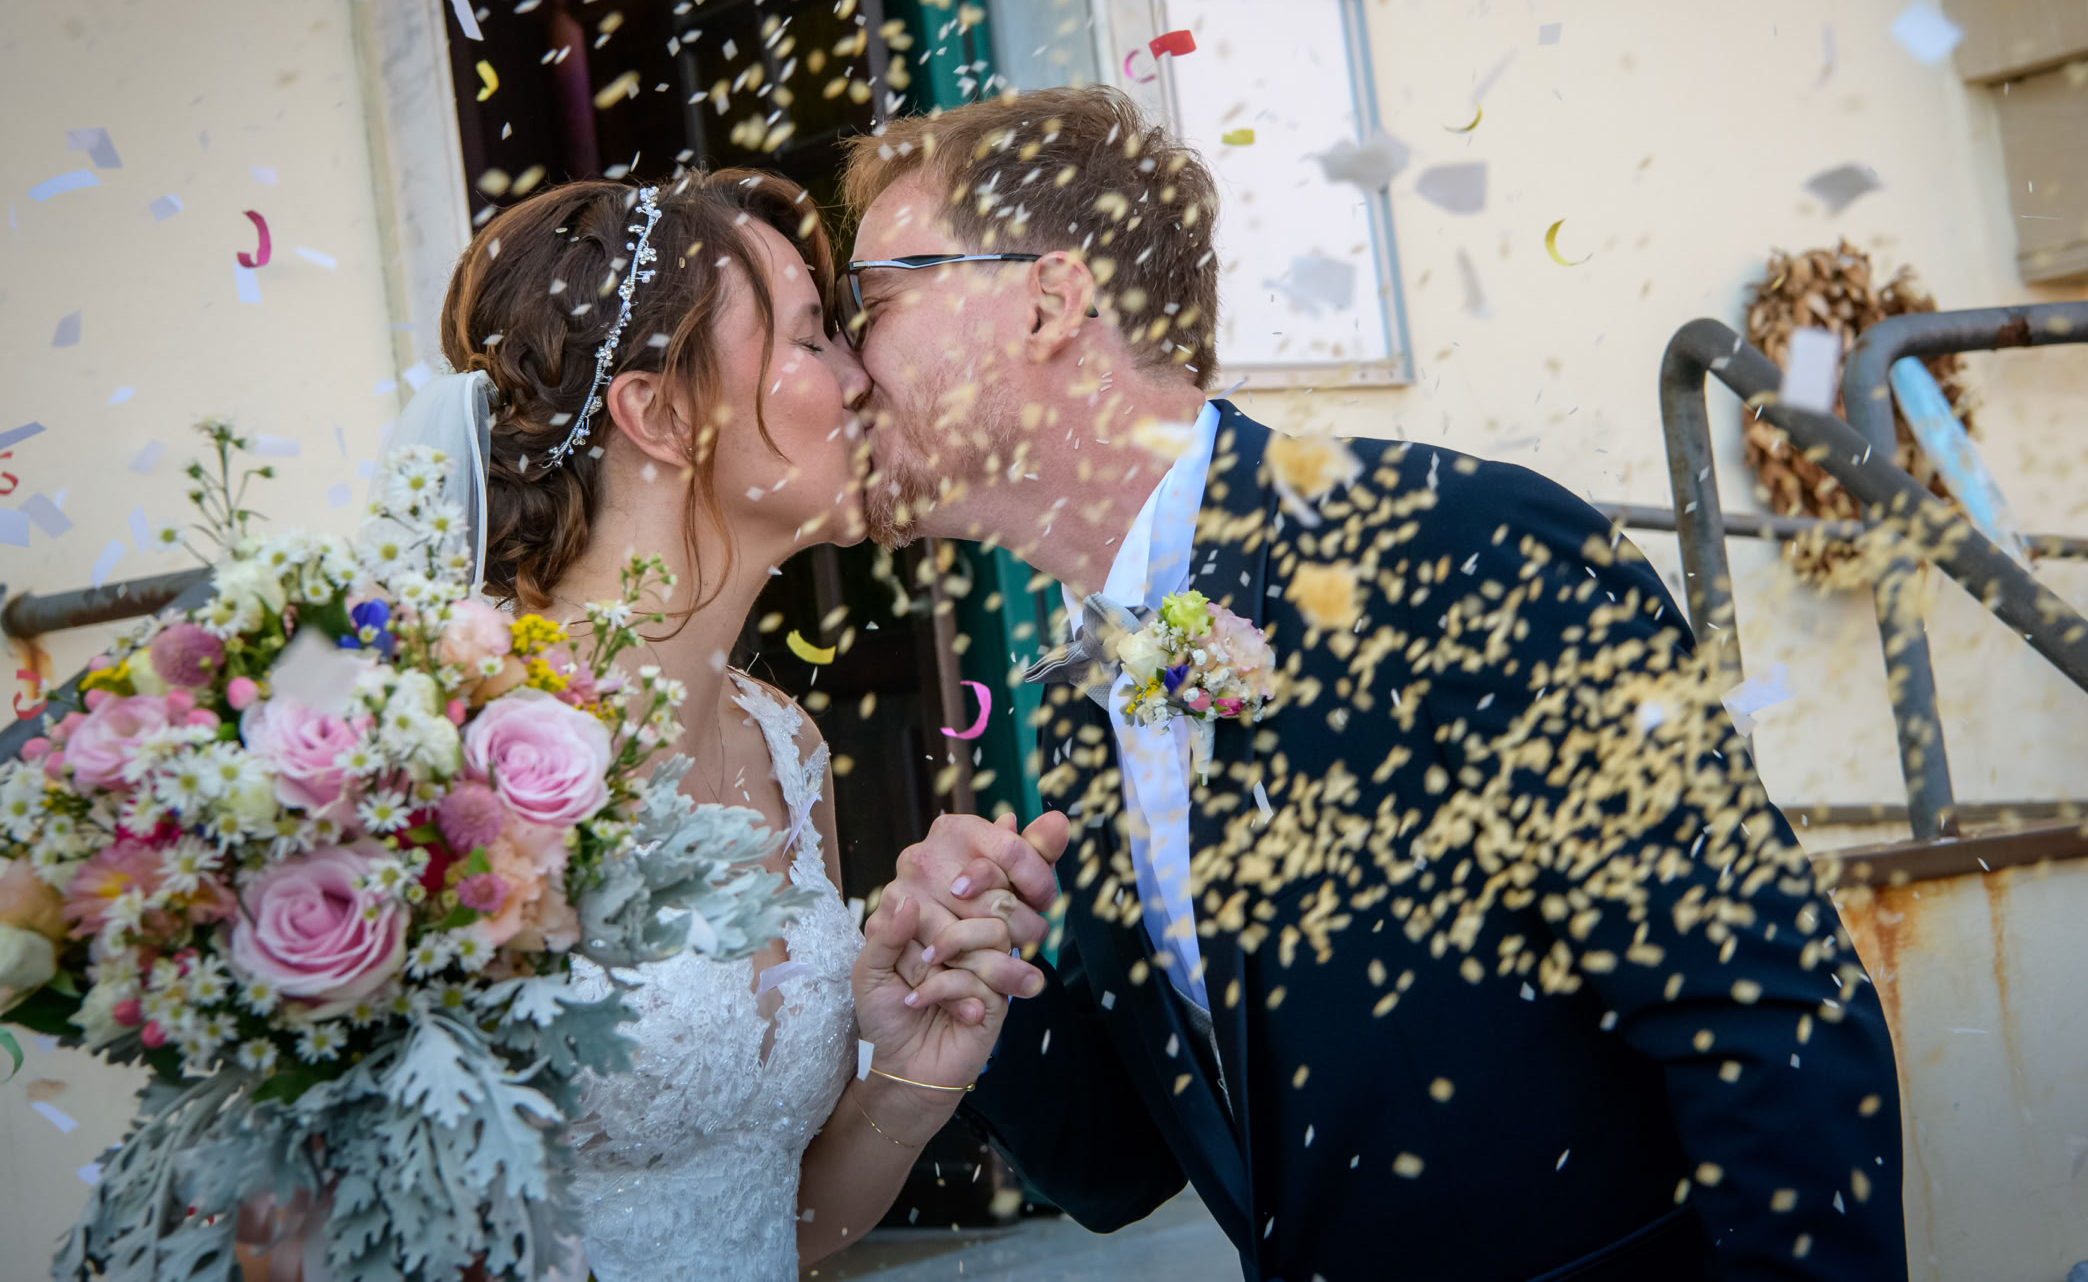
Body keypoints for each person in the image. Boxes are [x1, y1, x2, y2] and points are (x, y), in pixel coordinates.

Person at [844, 88, 1911, 1281]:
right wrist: (986, 997)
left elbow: (1768, 1010)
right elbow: (1118, 1165)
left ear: (1048, 298)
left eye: (873, 299)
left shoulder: (1456, 548)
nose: (845, 362)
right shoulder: (1088, 698)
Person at [241, 169, 1046, 1282]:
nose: (867, 377)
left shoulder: (784, 742)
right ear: (659, 412)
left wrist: (913, 1074)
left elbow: (782, 1220)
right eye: (814, 338)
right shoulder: (456, 762)